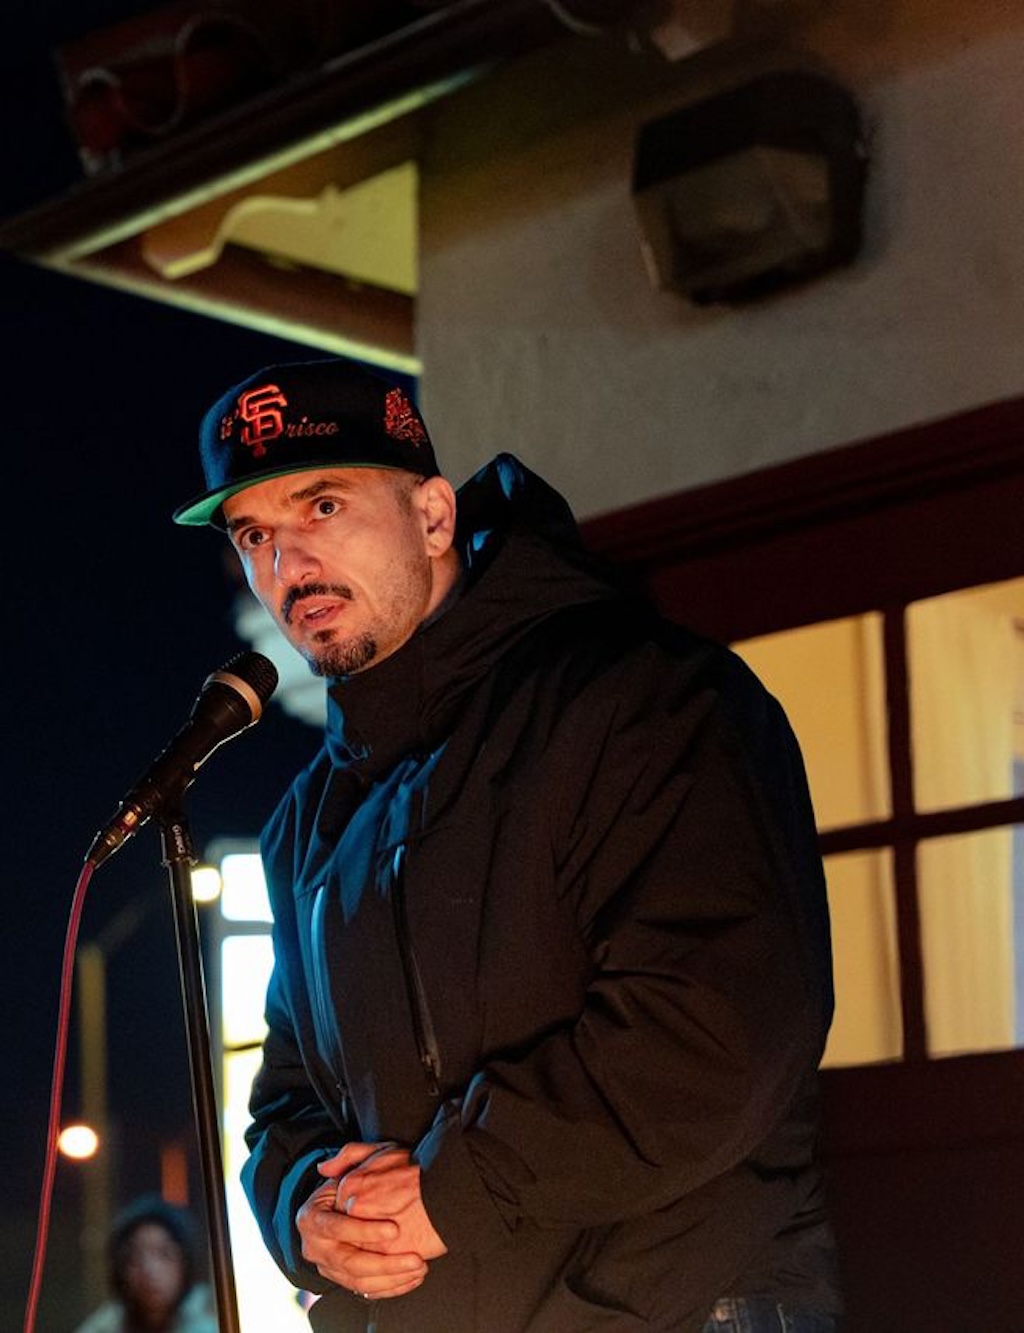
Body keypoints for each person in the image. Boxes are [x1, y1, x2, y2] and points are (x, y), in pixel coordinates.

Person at [171, 358, 841, 1331]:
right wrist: (303, 1216)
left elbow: (714, 1028)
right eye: (254, 535)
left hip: (679, 1306)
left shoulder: (641, 699)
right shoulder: (307, 825)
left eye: (322, 505)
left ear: (433, 517)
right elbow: (285, 1101)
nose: (288, 565)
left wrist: (452, 1190)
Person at [73, 1195, 219, 1333]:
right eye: (135, 1258)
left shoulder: (216, 1318)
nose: (149, 1270)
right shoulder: (104, 1327)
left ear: (185, 1262)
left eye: (165, 1254)